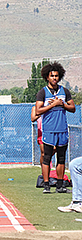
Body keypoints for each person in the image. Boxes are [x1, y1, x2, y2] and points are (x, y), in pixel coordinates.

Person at [35, 61, 75, 194]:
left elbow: (73, 108)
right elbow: (38, 111)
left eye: (56, 76)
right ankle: (46, 185)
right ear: (47, 77)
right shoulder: (42, 93)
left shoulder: (65, 91)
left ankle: (60, 185)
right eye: (52, 76)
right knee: (47, 157)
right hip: (49, 130)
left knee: (62, 158)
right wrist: (53, 105)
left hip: (62, 130)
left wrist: (62, 104)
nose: (54, 78)